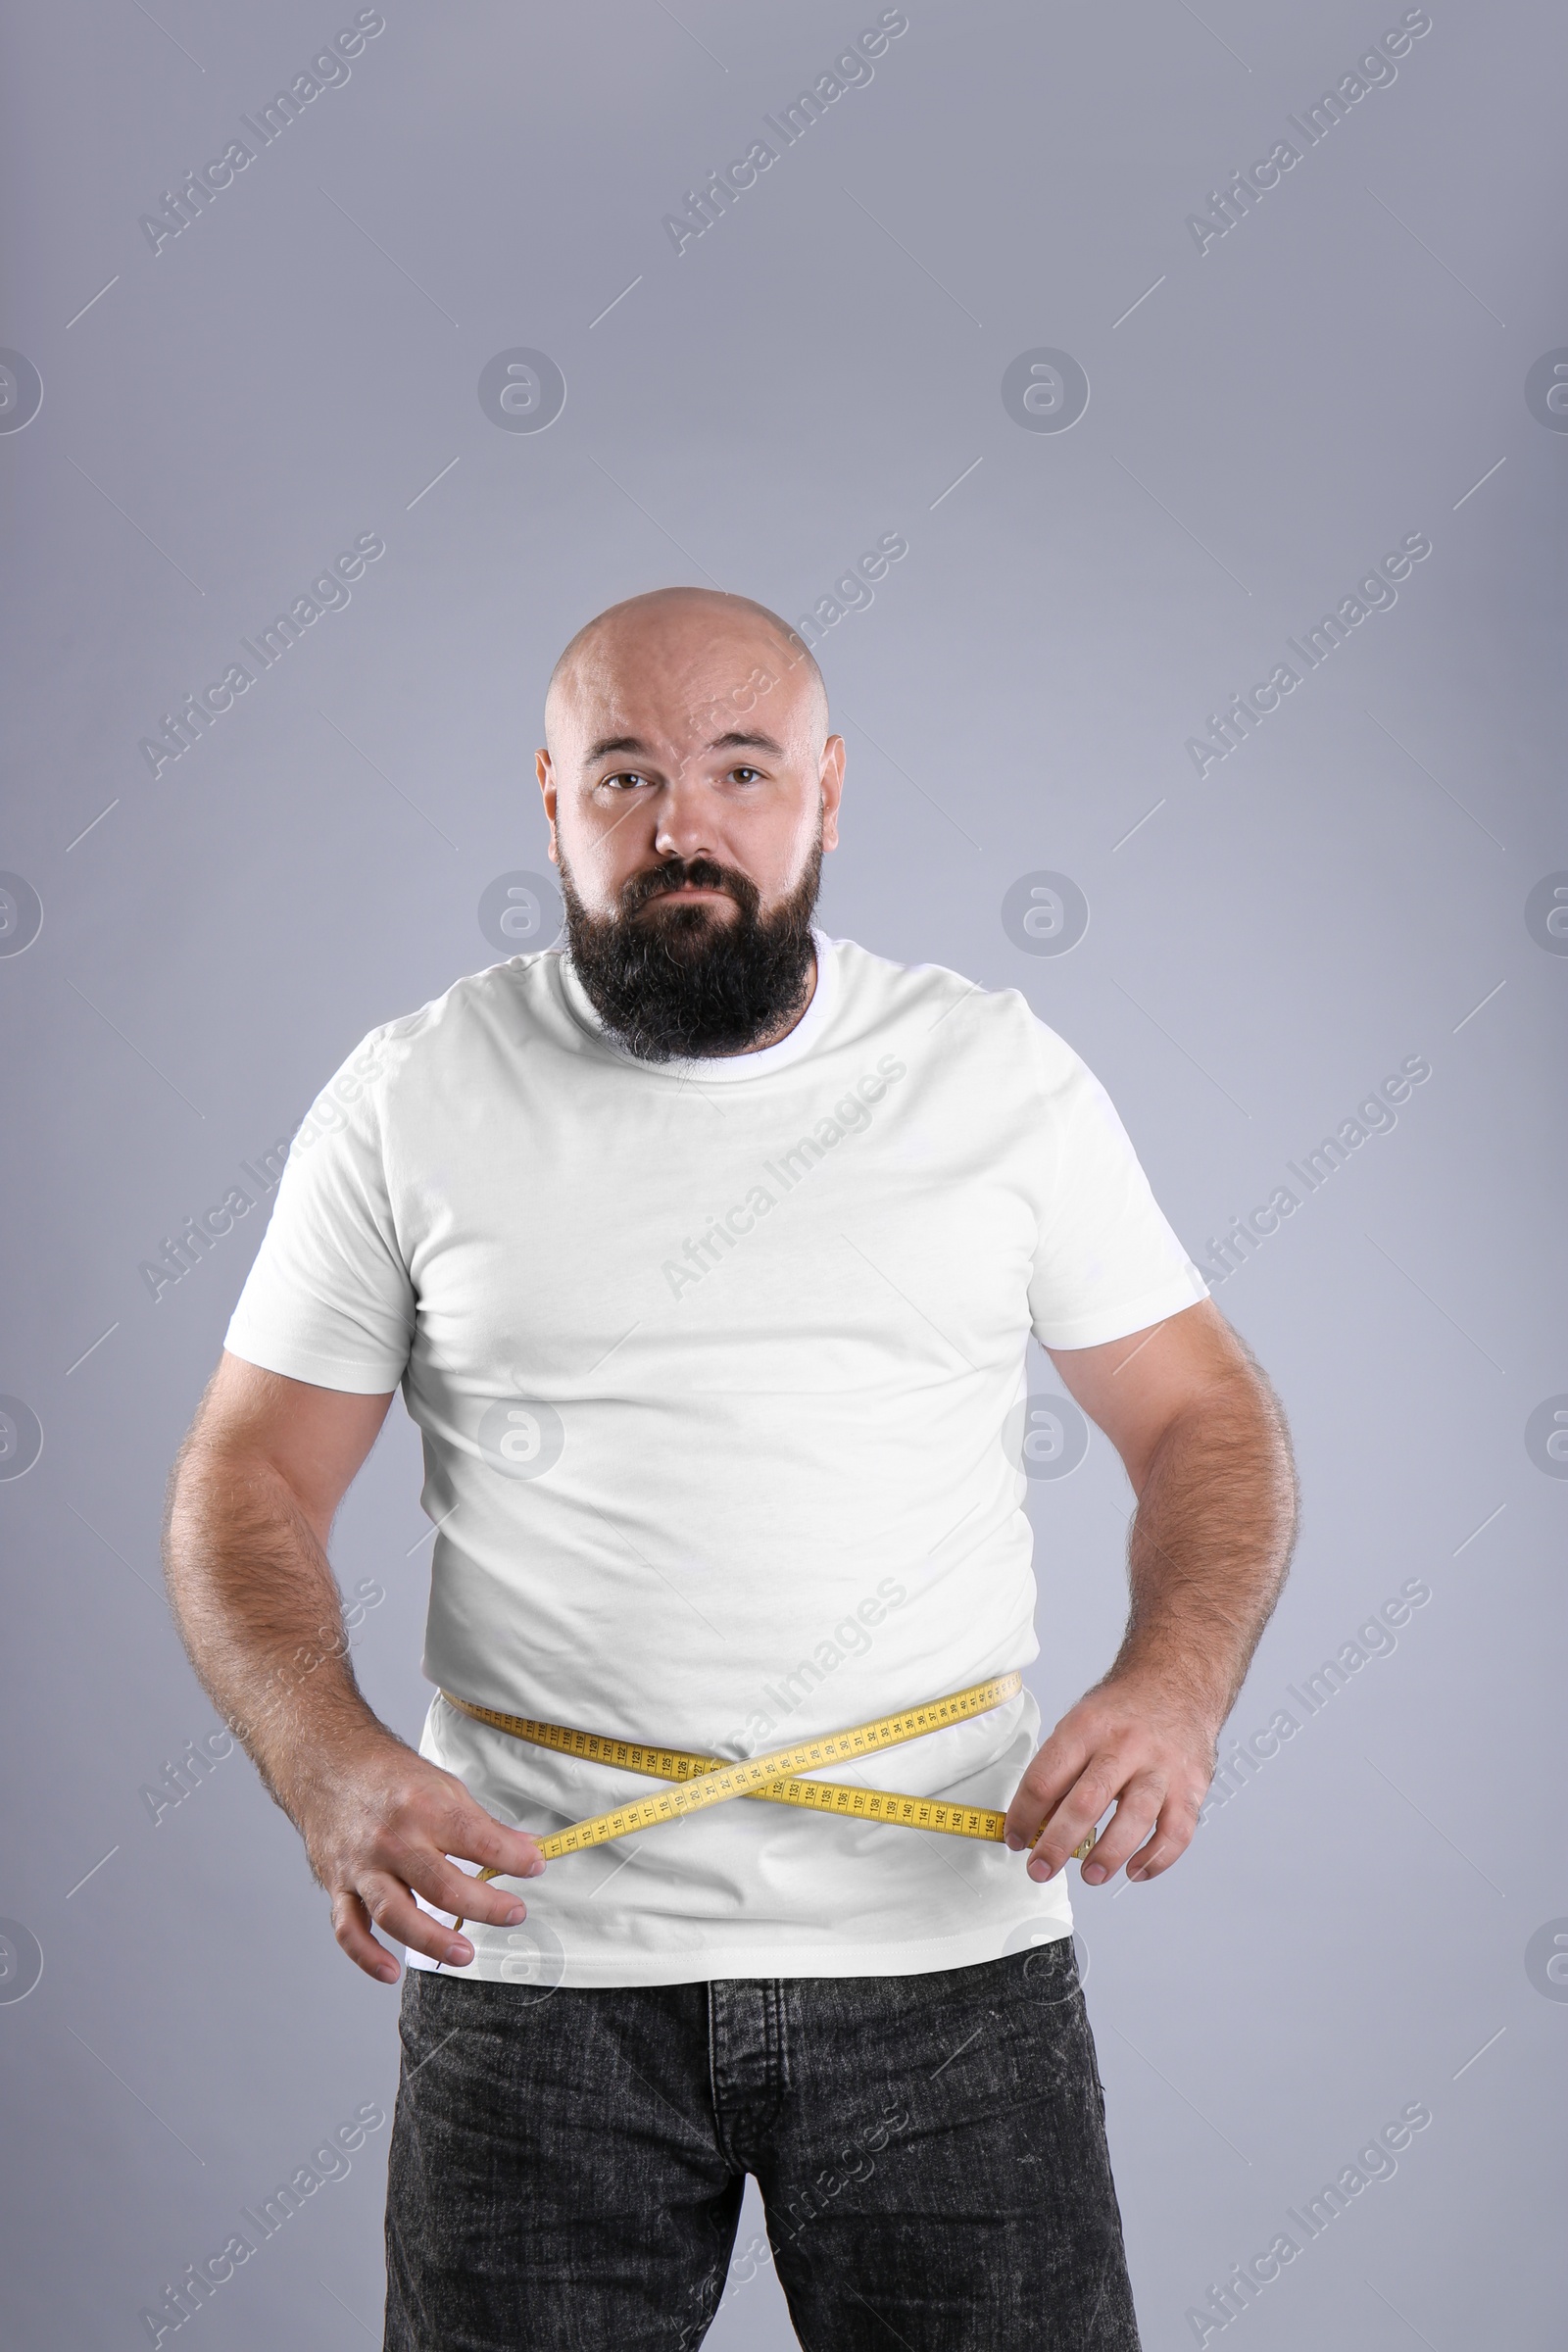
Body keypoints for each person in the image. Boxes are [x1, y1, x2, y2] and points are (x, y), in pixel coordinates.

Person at [163, 586, 1298, 2350]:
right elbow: (245, 1477)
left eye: (740, 770)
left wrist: (1176, 1685)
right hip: (538, 1981)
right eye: (622, 776)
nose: (681, 827)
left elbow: (1203, 1418)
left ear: (828, 793)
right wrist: (326, 1764)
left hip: (949, 1971)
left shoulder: (995, 1078)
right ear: (549, 802)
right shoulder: (411, 1098)